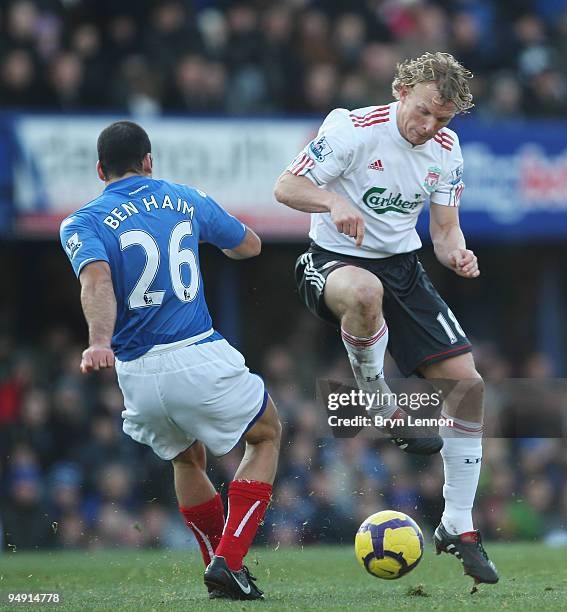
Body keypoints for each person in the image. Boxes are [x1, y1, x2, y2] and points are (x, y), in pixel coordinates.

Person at [274, 52, 498, 585]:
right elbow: (285, 188)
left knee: (469, 387)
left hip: (403, 269)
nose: (428, 127)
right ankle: (377, 398)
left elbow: (444, 232)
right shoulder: (350, 129)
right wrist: (330, 201)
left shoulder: (446, 149)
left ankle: (458, 526)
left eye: (441, 119)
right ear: (401, 90)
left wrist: (457, 254)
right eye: (422, 112)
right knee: (365, 290)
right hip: (332, 262)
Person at [60, 120, 281, 600]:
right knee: (266, 435)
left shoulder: (82, 221)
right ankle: (229, 559)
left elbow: (95, 279)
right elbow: (248, 246)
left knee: (186, 458)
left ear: (100, 170)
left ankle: (222, 571)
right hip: (195, 352)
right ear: (149, 162)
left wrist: (100, 342)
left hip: (135, 373)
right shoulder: (184, 197)